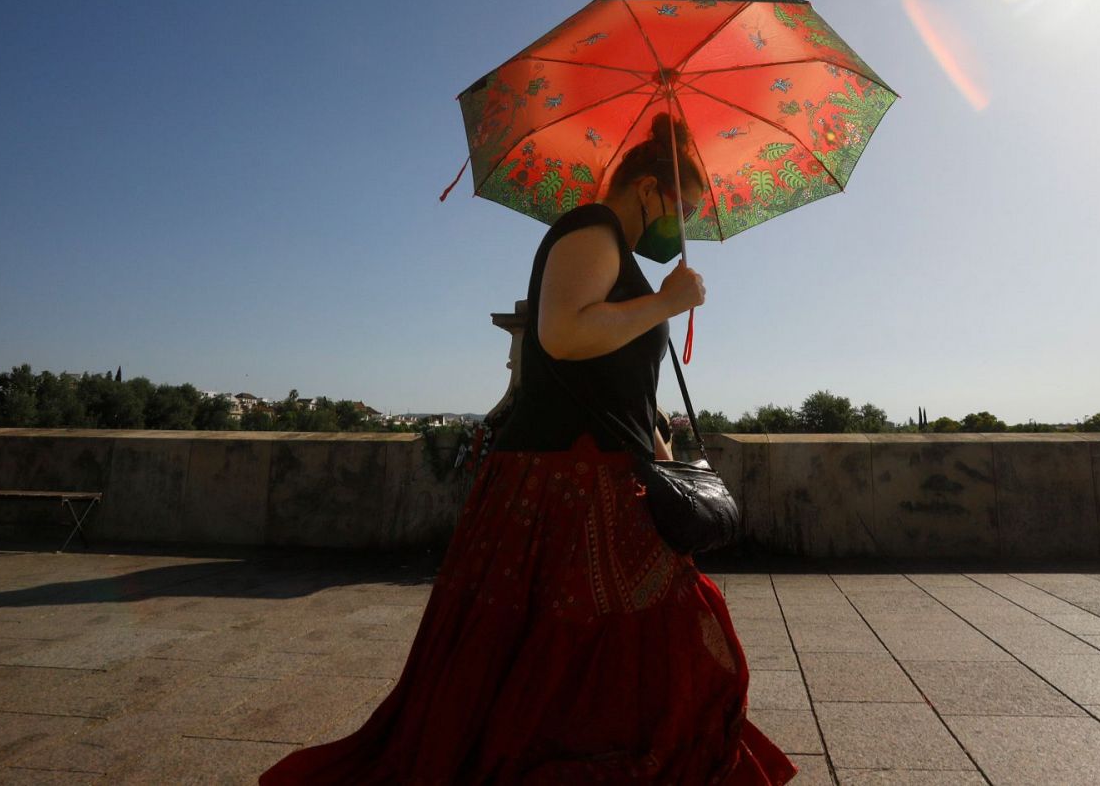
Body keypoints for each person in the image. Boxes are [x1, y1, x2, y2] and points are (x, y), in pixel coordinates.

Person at [260, 114, 795, 784]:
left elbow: (613, 382)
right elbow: (564, 333)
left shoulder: (620, 255)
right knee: (613, 645)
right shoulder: (589, 229)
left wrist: (657, 443)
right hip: (567, 481)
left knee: (588, 651)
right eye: (682, 206)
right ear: (652, 190)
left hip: (605, 472)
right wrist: (665, 303)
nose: (680, 221)